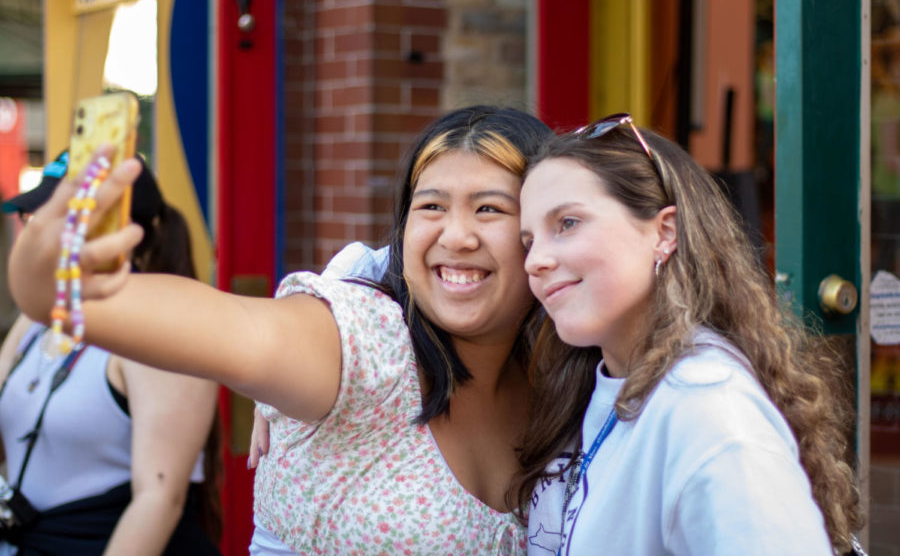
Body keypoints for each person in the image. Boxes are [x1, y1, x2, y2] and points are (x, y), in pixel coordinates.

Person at [7, 107, 554, 555]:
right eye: (430, 205)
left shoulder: (564, 372)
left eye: (490, 209)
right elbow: (239, 332)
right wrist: (51, 283)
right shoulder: (366, 342)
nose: (456, 234)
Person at [514, 115, 864, 556]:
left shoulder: (706, 404)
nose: (535, 261)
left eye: (567, 223)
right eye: (528, 241)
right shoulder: (593, 384)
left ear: (664, 232)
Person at [0, 151, 222, 555]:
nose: (32, 236)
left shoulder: (161, 326)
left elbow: (160, 500)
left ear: (109, 227)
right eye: (29, 220)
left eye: (49, 222)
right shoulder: (38, 312)